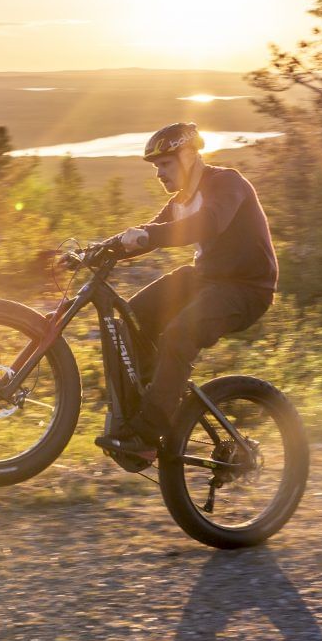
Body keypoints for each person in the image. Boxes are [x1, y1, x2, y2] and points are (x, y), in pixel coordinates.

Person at [91, 121, 278, 470]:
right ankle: (155, 403)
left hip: (247, 288)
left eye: (166, 163)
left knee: (180, 332)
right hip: (206, 279)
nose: (159, 173)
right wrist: (99, 250)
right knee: (131, 317)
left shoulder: (227, 182)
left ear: (190, 155)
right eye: (156, 167)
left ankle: (146, 437)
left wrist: (149, 237)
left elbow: (209, 222)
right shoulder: (180, 201)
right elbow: (148, 233)